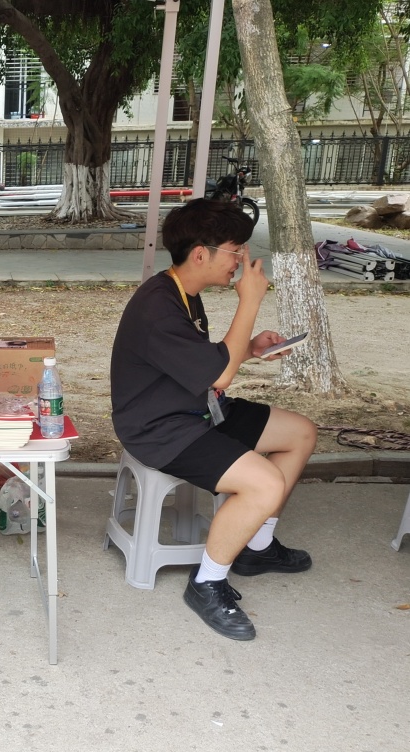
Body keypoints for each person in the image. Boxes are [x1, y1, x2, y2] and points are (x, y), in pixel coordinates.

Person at [110, 198, 317, 641]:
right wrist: (251, 300)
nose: (241, 260)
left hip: (197, 409)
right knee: (265, 483)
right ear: (201, 254)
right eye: (235, 250)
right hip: (159, 428)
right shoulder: (157, 305)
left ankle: (257, 546)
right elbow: (219, 374)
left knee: (300, 433)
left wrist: (250, 348)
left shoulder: (183, 293)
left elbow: (207, 362)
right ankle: (206, 582)